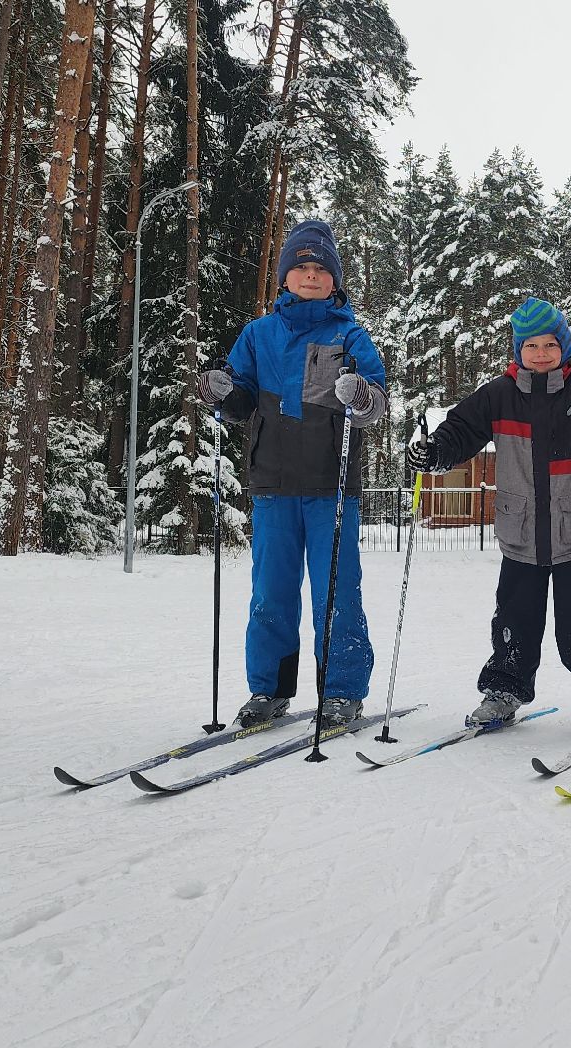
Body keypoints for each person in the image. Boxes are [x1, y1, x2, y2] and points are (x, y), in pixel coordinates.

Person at [406, 297, 571, 732]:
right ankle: (504, 689)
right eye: (531, 347)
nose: (540, 354)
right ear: (517, 351)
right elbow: (460, 429)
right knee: (514, 618)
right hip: (520, 532)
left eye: (549, 345)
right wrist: (436, 452)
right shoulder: (500, 395)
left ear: (566, 346)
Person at [196, 219, 387, 728]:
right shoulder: (258, 334)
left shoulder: (349, 335)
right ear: (284, 277)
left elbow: (375, 404)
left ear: (335, 280)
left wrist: (361, 395)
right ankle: (269, 691)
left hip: (332, 488)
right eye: (300, 267)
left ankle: (342, 691)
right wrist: (220, 390)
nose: (309, 275)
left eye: (320, 268)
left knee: (337, 592)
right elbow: (237, 400)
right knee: (271, 593)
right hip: (273, 485)